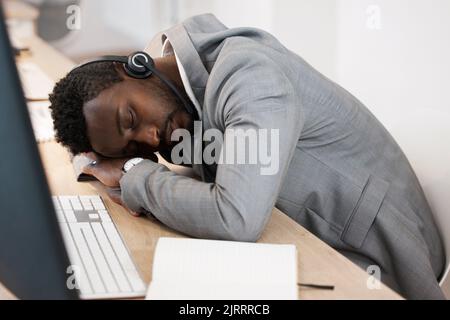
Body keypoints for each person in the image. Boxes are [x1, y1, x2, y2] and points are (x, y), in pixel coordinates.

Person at [48, 14, 445, 299]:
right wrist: (92, 160)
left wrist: (134, 173)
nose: (150, 136)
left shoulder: (250, 78)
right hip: (304, 233)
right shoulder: (171, 78)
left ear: (134, 66)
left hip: (375, 265)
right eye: (134, 145)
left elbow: (235, 218)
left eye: (130, 117)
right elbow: (101, 150)